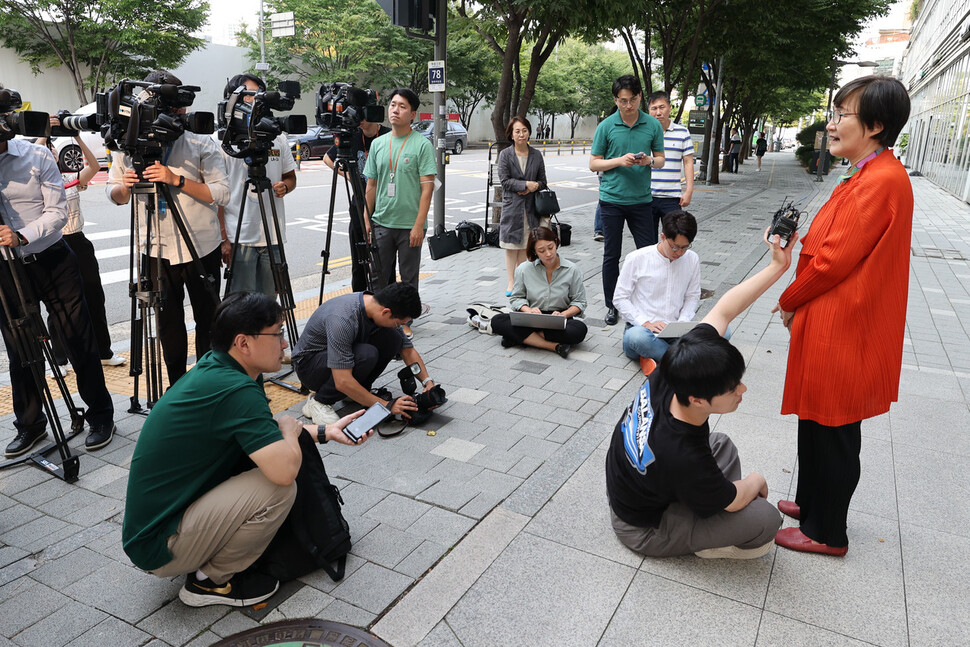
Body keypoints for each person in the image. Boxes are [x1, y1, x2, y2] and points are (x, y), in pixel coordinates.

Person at [122, 292, 373, 608]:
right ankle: (210, 581)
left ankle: (207, 553)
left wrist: (326, 431)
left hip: (159, 524)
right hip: (159, 543)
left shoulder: (223, 370)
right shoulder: (235, 389)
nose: (284, 344)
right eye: (278, 333)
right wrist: (287, 427)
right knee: (278, 490)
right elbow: (284, 471)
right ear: (243, 343)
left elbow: (265, 435)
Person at [771, 76, 913, 557]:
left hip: (846, 325)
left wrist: (790, 298)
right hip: (833, 319)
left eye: (842, 115)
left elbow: (833, 261)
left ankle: (827, 531)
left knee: (833, 431)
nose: (831, 124)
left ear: (874, 125)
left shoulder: (880, 180)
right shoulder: (864, 172)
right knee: (817, 419)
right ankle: (810, 505)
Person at [606, 228, 797, 559]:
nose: (742, 389)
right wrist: (755, 480)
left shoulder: (676, 366)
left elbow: (724, 309)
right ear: (697, 399)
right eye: (731, 388)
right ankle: (706, 537)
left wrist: (777, 266)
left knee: (721, 445)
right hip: (644, 528)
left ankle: (706, 507)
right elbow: (738, 497)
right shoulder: (681, 453)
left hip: (643, 487)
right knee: (766, 519)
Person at [0, 84, 116, 456]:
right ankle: (31, 425)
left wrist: (20, 235)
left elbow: (57, 213)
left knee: (77, 338)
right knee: (20, 350)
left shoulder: (34, 155)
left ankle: (100, 415)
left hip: (51, 258)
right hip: (6, 269)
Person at [107, 70, 231, 386]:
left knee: (208, 322)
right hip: (154, 249)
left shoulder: (200, 141)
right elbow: (114, 194)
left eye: (181, 106)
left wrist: (175, 179)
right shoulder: (127, 141)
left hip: (200, 246)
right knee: (168, 326)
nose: (180, 113)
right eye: (171, 106)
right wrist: (126, 185)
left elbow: (222, 193)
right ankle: (177, 390)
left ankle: (208, 385)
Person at [38, 117, 126, 369]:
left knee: (94, 297)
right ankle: (59, 359)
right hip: (53, 243)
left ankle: (103, 352)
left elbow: (95, 166)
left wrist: (76, 134)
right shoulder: (37, 183)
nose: (51, 151)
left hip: (79, 242)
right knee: (59, 305)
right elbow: (36, 149)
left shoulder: (69, 179)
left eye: (52, 148)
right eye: (47, 149)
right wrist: (43, 134)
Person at [292, 282, 435, 425]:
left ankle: (356, 393)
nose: (398, 327)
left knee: (394, 338)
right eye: (398, 323)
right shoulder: (343, 319)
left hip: (336, 359)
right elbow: (342, 381)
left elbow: (407, 350)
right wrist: (386, 405)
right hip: (308, 365)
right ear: (386, 312)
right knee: (366, 354)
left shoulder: (376, 304)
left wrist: (427, 382)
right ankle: (319, 401)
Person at [589, 75, 666, 326]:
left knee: (648, 253)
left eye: (632, 100)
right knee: (612, 255)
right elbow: (594, 163)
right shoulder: (606, 126)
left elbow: (661, 159)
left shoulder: (652, 125)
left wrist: (649, 161)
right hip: (611, 200)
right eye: (623, 101)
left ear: (640, 97)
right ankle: (612, 305)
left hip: (642, 200)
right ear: (616, 100)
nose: (628, 105)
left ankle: (646, 303)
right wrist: (620, 161)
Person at [363, 88, 436, 338]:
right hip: (382, 221)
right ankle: (380, 319)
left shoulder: (422, 145)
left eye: (402, 106)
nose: (395, 109)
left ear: (413, 114)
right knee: (379, 277)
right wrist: (366, 217)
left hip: (410, 226)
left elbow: (427, 190)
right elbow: (371, 185)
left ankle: (403, 321)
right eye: (393, 104)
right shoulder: (378, 144)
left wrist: (419, 225)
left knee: (407, 279)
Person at [219, 73, 297, 297]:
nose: (254, 101)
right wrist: (224, 239)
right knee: (242, 306)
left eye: (258, 95)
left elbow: (290, 177)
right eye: (248, 95)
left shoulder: (277, 138)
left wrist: (285, 186)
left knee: (270, 303)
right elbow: (219, 196)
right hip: (239, 237)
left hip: (273, 236)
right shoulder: (222, 141)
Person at [614, 210, 700, 364]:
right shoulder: (637, 258)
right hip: (644, 331)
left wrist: (682, 323)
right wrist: (646, 323)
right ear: (663, 237)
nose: (680, 252)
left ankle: (661, 361)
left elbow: (692, 296)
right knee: (637, 338)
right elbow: (620, 298)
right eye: (675, 247)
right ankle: (683, 362)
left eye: (685, 247)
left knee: (722, 331)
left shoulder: (692, 259)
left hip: (676, 332)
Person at [490, 226, 587, 358]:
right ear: (534, 252)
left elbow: (579, 302)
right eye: (541, 251)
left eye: (550, 247)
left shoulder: (572, 270)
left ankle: (519, 338)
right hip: (531, 317)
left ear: (556, 242)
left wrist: (563, 315)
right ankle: (554, 346)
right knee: (497, 320)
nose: (548, 253)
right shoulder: (524, 269)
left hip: (558, 317)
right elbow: (516, 298)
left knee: (579, 330)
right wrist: (528, 310)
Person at [323, 108, 389, 292]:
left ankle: (386, 302)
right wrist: (349, 175)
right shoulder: (352, 136)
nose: (360, 121)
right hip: (358, 206)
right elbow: (327, 158)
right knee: (358, 263)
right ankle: (359, 302)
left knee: (384, 263)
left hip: (384, 207)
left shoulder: (386, 136)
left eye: (363, 116)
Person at [497, 116, 548, 295]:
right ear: (511, 134)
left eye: (524, 130)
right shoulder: (505, 155)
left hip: (532, 207)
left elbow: (543, 181)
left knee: (527, 246)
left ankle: (524, 282)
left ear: (529, 133)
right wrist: (525, 184)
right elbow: (504, 181)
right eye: (517, 131)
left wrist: (534, 186)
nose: (521, 134)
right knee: (512, 247)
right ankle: (511, 282)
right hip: (513, 207)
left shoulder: (536, 154)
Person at [647, 92, 694, 240]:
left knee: (674, 240)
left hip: (672, 198)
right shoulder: (644, 132)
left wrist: (688, 191)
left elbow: (688, 162)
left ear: (670, 108)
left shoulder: (682, 132)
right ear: (648, 110)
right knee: (648, 242)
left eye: (662, 107)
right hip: (646, 197)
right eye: (654, 108)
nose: (658, 112)